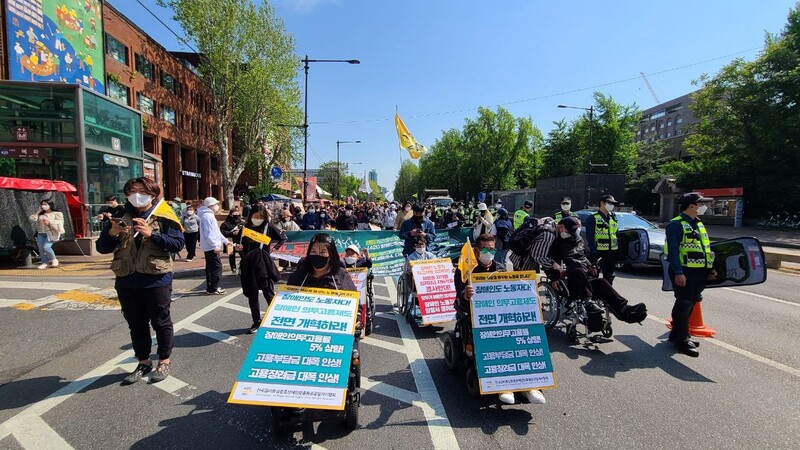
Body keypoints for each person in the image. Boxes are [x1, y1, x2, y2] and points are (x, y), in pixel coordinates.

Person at [96, 177, 185, 385]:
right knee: (136, 324)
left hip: (156, 279)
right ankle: (143, 361)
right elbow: (102, 247)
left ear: (153, 194)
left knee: (161, 322)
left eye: (142, 191)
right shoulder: (119, 215)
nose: (137, 195)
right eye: (132, 191)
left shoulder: (164, 215)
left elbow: (177, 244)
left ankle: (164, 360)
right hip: (126, 279)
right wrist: (112, 233)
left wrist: (152, 234)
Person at [453, 233, 547, 406]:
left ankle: (530, 387)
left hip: (501, 315)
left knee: (521, 339)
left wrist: (532, 298)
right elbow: (459, 292)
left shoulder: (501, 268)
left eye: (492, 249)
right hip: (474, 316)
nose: (489, 252)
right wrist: (465, 294)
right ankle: (503, 387)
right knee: (496, 341)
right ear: (476, 250)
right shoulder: (465, 270)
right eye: (485, 249)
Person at [665, 192, 717, 357]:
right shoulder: (676, 224)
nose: (704, 207)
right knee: (684, 303)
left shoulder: (698, 224)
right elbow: (673, 251)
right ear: (691, 206)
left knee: (691, 302)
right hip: (685, 271)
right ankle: (682, 339)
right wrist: (679, 273)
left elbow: (705, 249)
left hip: (699, 271)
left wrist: (710, 269)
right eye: (701, 204)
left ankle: (677, 334)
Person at [235, 204, 281, 334]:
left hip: (263, 265)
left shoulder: (268, 227)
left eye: (261, 217)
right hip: (248, 265)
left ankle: (275, 319)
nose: (258, 219)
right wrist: (239, 249)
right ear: (251, 216)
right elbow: (239, 246)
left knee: (268, 293)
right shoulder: (244, 229)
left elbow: (283, 238)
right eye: (255, 216)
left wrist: (273, 249)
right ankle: (256, 321)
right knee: (252, 295)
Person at [287, 233, 358, 291]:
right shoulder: (298, 276)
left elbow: (356, 304)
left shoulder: (341, 275)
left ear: (330, 255)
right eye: (313, 251)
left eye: (322, 252)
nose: (317, 255)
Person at [198, 197, 229, 294]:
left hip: (210, 246)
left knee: (211, 267)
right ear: (210, 205)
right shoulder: (208, 217)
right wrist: (215, 245)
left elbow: (216, 232)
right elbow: (209, 233)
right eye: (216, 204)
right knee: (216, 267)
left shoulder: (208, 216)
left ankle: (211, 287)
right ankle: (214, 287)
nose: (217, 206)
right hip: (211, 247)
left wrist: (225, 241)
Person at [586, 194, 620, 285]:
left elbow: (616, 234)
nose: (612, 206)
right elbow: (589, 236)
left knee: (609, 277)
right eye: (610, 203)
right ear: (602, 203)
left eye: (613, 204)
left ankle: (606, 297)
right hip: (597, 252)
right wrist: (593, 250)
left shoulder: (613, 218)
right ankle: (593, 296)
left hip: (611, 253)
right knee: (593, 275)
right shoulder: (593, 218)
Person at [29, 199, 64, 269]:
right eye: (42, 204)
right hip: (41, 233)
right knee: (41, 248)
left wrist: (49, 222)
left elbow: (60, 223)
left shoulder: (57, 213)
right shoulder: (40, 214)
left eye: (45, 204)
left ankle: (54, 259)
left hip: (51, 233)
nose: (43, 206)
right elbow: (32, 219)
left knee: (46, 247)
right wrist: (38, 211)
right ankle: (44, 262)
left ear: (50, 205)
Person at [220, 209, 244, 274]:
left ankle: (243, 267)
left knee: (242, 254)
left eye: (238, 214)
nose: (236, 216)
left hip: (239, 241)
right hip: (230, 241)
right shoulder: (225, 224)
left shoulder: (241, 223)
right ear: (231, 214)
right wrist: (232, 233)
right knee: (231, 255)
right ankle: (233, 268)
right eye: (235, 214)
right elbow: (222, 233)